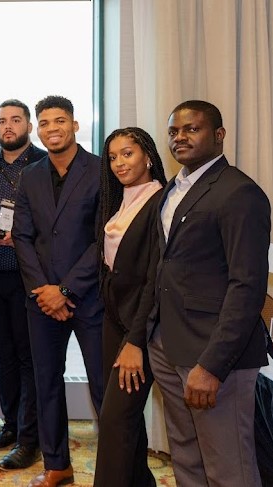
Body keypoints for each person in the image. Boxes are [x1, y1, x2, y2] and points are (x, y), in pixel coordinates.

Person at [147, 100, 270, 486]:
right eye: (173, 131)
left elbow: (247, 285)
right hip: (169, 344)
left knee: (228, 464)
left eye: (191, 129)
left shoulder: (239, 193)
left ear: (219, 135)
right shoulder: (175, 188)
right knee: (186, 454)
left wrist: (213, 365)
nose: (180, 137)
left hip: (215, 355)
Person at [12, 95, 104, 487]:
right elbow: (22, 235)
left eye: (60, 121)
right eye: (45, 122)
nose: (53, 128)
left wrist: (66, 289)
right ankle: (57, 465)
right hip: (42, 301)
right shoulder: (30, 175)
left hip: (91, 298)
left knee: (105, 388)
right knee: (46, 382)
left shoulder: (102, 171)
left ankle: (120, 467)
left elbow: (105, 240)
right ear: (38, 128)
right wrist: (43, 291)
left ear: (75, 125)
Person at [0, 99, 45, 470]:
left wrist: (24, 237)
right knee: (3, 356)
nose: (8, 126)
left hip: (30, 277)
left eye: (16, 120)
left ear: (28, 125)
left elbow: (57, 220)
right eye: (2, 120)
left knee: (30, 358)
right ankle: (10, 426)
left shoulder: (45, 163)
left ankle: (31, 438)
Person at [92, 127, 166, 487]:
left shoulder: (161, 202)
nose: (119, 163)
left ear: (148, 156)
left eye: (128, 154)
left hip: (141, 328)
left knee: (115, 419)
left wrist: (136, 341)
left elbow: (154, 280)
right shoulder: (119, 199)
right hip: (113, 321)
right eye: (113, 157)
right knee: (127, 419)